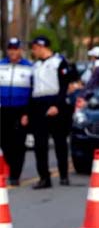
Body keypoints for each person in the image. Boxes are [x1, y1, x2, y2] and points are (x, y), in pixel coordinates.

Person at [29, 36, 71, 189]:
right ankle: (44, 178)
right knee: (40, 144)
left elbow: (64, 86)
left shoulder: (59, 62)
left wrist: (57, 105)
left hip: (54, 103)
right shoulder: (35, 66)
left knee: (60, 142)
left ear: (42, 47)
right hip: (38, 104)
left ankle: (64, 175)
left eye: (35, 48)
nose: (33, 51)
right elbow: (32, 88)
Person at [0, 38, 32, 186]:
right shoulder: (1, 65)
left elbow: (33, 92)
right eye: (10, 49)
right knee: (5, 142)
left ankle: (15, 174)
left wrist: (27, 112)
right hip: (3, 109)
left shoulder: (29, 67)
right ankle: (11, 164)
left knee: (18, 143)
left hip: (21, 110)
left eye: (16, 49)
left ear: (20, 50)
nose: (13, 51)